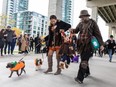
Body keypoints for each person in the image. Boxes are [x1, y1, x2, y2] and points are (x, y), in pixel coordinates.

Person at [69, 10, 104, 83]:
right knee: (84, 59)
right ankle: (87, 72)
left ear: (87, 16)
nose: (82, 18)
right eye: (81, 17)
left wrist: (101, 44)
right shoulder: (80, 23)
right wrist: (72, 30)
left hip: (88, 45)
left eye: (83, 16)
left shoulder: (92, 23)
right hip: (81, 45)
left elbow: (98, 34)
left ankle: (80, 78)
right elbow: (76, 31)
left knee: (84, 61)